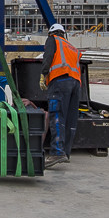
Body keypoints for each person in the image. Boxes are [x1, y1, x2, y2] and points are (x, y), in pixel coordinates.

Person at [40, 23, 81, 167]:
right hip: (76, 84)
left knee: (57, 115)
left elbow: (48, 56)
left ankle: (57, 153)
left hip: (60, 81)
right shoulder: (72, 47)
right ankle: (65, 152)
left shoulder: (53, 40)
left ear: (52, 33)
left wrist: (44, 74)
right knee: (70, 120)